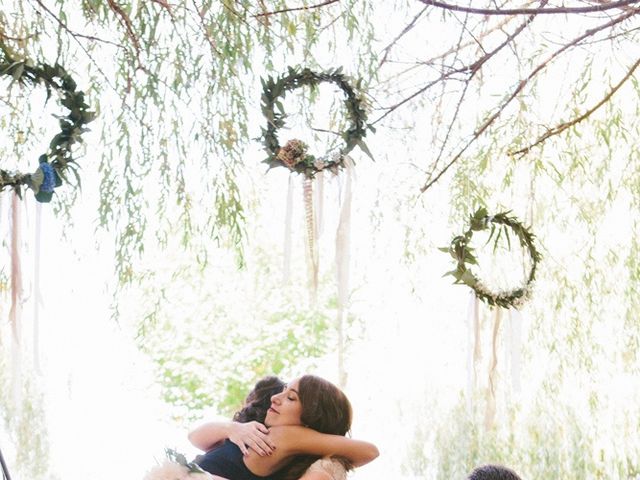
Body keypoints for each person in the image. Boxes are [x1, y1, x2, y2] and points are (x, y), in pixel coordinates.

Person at [189, 375, 378, 480]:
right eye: (283, 390)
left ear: (311, 417)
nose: (274, 398)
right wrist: (231, 428)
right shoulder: (260, 432)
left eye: (291, 397)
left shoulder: (289, 436)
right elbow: (195, 438)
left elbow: (370, 451)